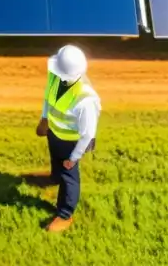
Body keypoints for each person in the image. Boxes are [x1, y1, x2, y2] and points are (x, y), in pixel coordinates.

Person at [26, 44, 101, 232]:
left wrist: (74, 157)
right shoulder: (56, 74)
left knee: (70, 176)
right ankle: (54, 177)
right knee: (56, 161)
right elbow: (48, 96)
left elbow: (87, 134)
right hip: (55, 131)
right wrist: (44, 119)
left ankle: (65, 214)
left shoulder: (86, 100)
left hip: (73, 142)